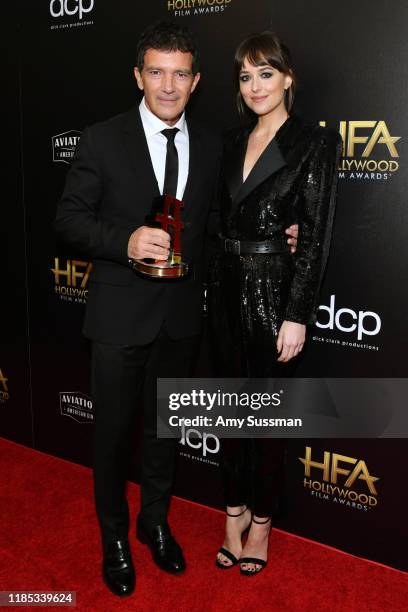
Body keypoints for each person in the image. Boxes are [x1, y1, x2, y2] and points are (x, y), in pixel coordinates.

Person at [56, 21, 298, 596]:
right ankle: (114, 536)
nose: (169, 85)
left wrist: (274, 235)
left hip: (182, 317)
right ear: (138, 76)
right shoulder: (101, 138)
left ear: (196, 81)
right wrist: (125, 241)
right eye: (157, 72)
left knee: (164, 433)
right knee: (113, 435)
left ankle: (154, 523)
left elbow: (220, 227)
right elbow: (67, 221)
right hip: (118, 318)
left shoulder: (215, 144)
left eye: (181, 73)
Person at [208, 31, 341, 575]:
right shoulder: (230, 139)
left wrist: (296, 314)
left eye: (266, 73)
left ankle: (261, 523)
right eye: (246, 76)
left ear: (287, 78)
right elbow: (217, 217)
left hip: (274, 292)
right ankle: (231, 513)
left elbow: (314, 235)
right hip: (222, 290)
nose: (255, 85)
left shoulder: (314, 143)